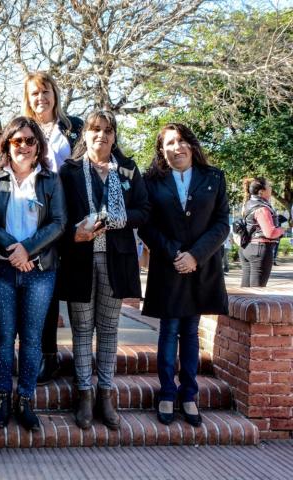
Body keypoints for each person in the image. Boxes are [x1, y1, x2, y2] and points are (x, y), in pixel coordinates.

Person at [56, 110, 149, 431]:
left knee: (108, 330)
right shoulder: (68, 171)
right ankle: (84, 394)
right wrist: (75, 231)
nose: (102, 136)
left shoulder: (128, 169)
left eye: (108, 130)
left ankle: (105, 395)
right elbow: (59, 217)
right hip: (79, 259)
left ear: (114, 136)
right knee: (82, 330)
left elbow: (144, 210)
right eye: (96, 130)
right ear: (85, 135)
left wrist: (118, 218)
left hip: (117, 259)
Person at [139, 123, 230, 428]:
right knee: (168, 331)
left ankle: (189, 395)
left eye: (180, 141)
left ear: (190, 144)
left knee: (190, 333)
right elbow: (146, 225)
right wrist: (175, 253)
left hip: (201, 267)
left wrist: (195, 255)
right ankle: (166, 393)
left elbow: (221, 224)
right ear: (161, 151)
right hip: (168, 267)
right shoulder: (151, 181)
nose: (175, 148)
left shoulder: (214, 177)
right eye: (168, 144)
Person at [0, 116, 66, 432]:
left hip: (40, 271)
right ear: (7, 144)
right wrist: (12, 249)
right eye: (18, 140)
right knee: (3, 337)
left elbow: (58, 223)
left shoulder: (50, 180)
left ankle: (25, 399)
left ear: (39, 146)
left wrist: (27, 250)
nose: (24, 146)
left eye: (31, 141)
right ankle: (3, 396)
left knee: (31, 339)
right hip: (1, 269)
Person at [22, 71, 84, 384]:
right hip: (38, 220)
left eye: (45, 92)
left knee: (69, 289)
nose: (41, 98)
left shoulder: (74, 128)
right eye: (34, 93)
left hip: (71, 217)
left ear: (54, 94)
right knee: (41, 291)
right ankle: (47, 355)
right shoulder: (24, 129)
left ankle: (82, 357)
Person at [239, 177, 285, 287]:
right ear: (261, 191)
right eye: (269, 186)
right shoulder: (262, 208)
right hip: (259, 249)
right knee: (257, 293)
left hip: (246, 248)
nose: (271, 188)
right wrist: (282, 229)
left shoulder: (248, 204)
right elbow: (270, 232)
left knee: (246, 292)